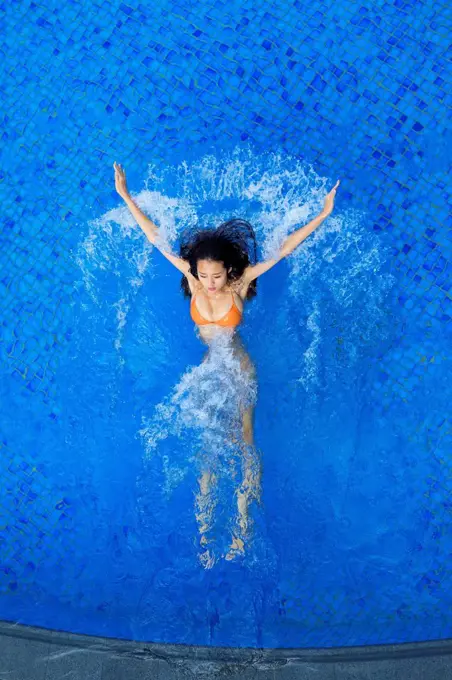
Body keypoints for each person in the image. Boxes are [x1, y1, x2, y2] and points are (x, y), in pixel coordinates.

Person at [113, 161, 340, 563]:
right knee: (207, 446)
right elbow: (154, 238)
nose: (210, 283)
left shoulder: (241, 283)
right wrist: (126, 196)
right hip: (208, 368)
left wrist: (322, 214)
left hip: (239, 367)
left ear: (229, 272)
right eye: (204, 275)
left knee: (245, 441)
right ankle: (205, 531)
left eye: (217, 276)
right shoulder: (193, 276)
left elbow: (286, 248)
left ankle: (243, 525)